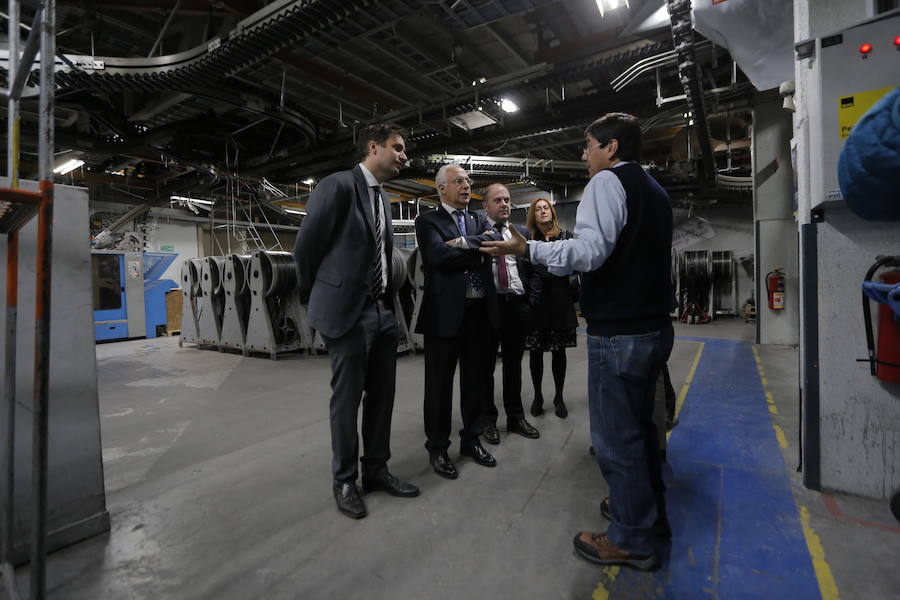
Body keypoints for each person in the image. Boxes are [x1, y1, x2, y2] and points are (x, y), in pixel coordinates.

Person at [481, 112, 674, 571]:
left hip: (620, 332)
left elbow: (588, 252)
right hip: (653, 327)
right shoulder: (655, 190)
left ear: (611, 147)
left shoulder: (608, 182)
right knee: (643, 429)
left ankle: (632, 538)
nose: (584, 155)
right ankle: (645, 512)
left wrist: (527, 248)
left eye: (588, 145)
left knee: (617, 438)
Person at [294, 123, 419, 520]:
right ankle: (345, 481)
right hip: (348, 313)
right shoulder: (338, 186)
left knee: (382, 397)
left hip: (382, 310)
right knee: (346, 402)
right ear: (373, 147)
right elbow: (306, 248)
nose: (404, 156)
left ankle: (376, 470)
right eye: (398, 148)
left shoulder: (381, 197)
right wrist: (316, 298)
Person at [414, 163, 501, 479]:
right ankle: (438, 448)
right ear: (442, 188)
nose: (467, 186)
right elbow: (437, 257)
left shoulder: (480, 219)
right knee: (439, 386)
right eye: (460, 181)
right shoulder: (427, 221)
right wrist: (479, 248)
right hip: (444, 316)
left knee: (475, 382)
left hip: (479, 313)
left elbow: (495, 241)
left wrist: (463, 243)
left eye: (468, 180)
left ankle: (471, 440)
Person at [480, 183, 540, 445]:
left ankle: (516, 417)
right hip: (489, 307)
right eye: (498, 200)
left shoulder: (522, 233)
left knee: (514, 365)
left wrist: (531, 301)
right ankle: (488, 420)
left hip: (517, 305)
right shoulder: (479, 232)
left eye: (507, 199)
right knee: (486, 367)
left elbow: (534, 269)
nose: (504, 204)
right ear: (486, 206)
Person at [524, 197, 579, 420]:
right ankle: (538, 396)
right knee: (535, 353)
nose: (543, 211)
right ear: (533, 215)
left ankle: (559, 397)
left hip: (560, 301)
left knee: (559, 352)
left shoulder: (566, 237)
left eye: (546, 207)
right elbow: (525, 271)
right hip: (537, 304)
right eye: (538, 209)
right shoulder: (528, 240)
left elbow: (574, 267)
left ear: (552, 212)